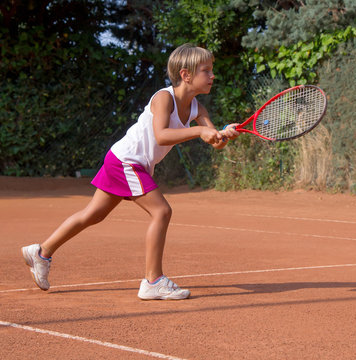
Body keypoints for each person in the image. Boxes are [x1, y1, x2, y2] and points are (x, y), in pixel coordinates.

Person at [21, 43, 240, 300]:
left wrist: (223, 135)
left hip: (129, 161)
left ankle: (41, 252)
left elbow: (214, 142)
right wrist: (199, 131)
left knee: (93, 214)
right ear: (186, 75)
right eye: (206, 70)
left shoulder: (197, 109)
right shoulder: (163, 98)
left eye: (211, 70)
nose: (212, 75)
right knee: (162, 211)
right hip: (126, 161)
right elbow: (162, 136)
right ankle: (153, 281)